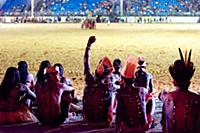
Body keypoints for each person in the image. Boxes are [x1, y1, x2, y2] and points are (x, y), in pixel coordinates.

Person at [160, 48, 200, 133]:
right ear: (189, 83)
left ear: (174, 82)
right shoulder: (197, 98)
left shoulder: (166, 97)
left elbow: (163, 123)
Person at [83, 36, 114, 128]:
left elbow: (86, 61)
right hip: (105, 122)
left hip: (88, 121)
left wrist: (88, 46)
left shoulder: (89, 79)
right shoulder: (111, 84)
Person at [115, 55, 149, 133]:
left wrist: (116, 130)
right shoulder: (143, 90)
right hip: (143, 127)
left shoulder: (120, 93)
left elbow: (118, 115)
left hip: (128, 128)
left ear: (123, 80)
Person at [134, 57, 155, 128]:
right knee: (151, 99)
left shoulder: (134, 75)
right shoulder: (149, 75)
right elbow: (151, 90)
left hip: (136, 95)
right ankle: (149, 119)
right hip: (145, 96)